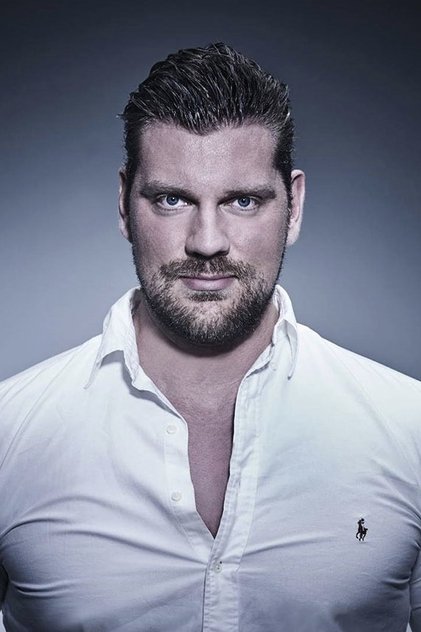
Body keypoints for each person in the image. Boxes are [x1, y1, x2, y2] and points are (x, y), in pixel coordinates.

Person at [0, 42, 420, 632]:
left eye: (242, 201)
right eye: (172, 199)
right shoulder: (10, 434)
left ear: (294, 206)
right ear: (124, 204)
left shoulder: (409, 430)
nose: (206, 242)